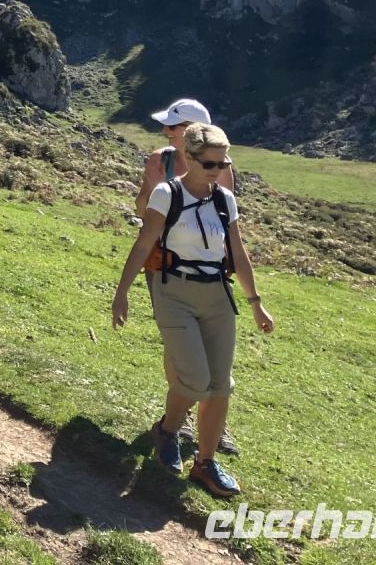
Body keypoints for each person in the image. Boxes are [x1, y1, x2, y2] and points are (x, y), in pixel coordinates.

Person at [113, 123, 275, 500]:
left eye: (224, 163)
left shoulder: (224, 200)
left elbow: (238, 253)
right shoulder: (166, 195)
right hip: (175, 293)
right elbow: (142, 246)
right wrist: (121, 292)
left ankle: (205, 462)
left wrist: (256, 304)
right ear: (189, 158)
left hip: (217, 295)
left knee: (220, 387)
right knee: (196, 379)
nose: (218, 171)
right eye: (211, 164)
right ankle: (167, 432)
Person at [137, 98, 241, 458]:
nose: (166, 131)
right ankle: (177, 420)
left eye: (174, 127)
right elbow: (142, 211)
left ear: (195, 132)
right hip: (163, 265)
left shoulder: (219, 165)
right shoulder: (159, 161)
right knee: (180, 345)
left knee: (212, 357)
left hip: (209, 274)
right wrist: (153, 188)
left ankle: (209, 422)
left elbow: (225, 217)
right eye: (168, 127)